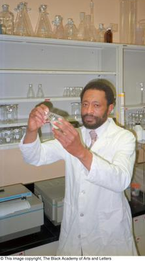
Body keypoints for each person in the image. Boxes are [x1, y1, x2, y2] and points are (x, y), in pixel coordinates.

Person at [19, 79, 137, 256]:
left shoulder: (124, 138)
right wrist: (31, 130)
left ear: (110, 108)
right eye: (85, 104)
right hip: (74, 234)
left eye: (96, 105)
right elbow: (35, 157)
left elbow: (120, 180)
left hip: (109, 237)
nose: (89, 111)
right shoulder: (75, 135)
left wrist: (81, 152)